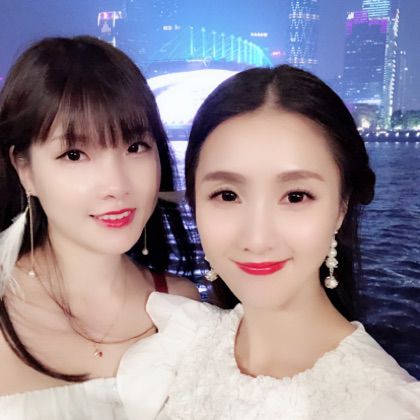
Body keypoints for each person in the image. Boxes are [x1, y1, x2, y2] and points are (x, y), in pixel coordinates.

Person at [123, 65, 418, 419]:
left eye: (295, 196)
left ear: (341, 206)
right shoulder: (181, 343)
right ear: (195, 203)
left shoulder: (384, 406)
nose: (257, 239)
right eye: (227, 195)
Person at [0, 36, 198, 419]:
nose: (117, 185)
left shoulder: (182, 309)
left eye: (135, 147)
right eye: (75, 155)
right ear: (25, 169)